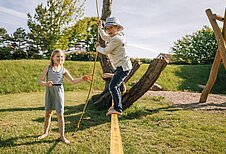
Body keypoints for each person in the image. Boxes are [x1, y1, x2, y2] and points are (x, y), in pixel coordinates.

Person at [38, 49, 91, 144]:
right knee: (48, 113)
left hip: (59, 92)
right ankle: (45, 133)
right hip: (50, 92)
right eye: (58, 56)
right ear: (53, 58)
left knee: (60, 114)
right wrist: (46, 83)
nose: (60, 58)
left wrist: (82, 79)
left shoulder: (63, 70)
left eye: (62, 56)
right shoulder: (48, 68)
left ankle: (62, 136)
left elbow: (72, 81)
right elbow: (40, 81)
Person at [95, 17, 132, 116]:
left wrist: (98, 48)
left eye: (111, 28)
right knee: (115, 86)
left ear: (118, 28)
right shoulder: (114, 37)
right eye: (107, 28)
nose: (108, 30)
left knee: (113, 86)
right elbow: (104, 37)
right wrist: (100, 27)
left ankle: (118, 109)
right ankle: (116, 105)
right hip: (121, 67)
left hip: (123, 68)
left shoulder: (116, 39)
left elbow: (106, 51)